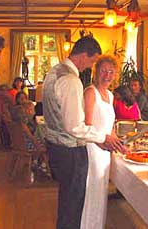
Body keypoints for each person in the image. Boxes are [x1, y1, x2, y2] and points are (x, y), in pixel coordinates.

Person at [42, 35, 125, 229]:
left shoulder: (53, 72)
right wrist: (103, 137)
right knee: (72, 207)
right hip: (70, 151)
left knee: (67, 204)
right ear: (84, 55)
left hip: (55, 147)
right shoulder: (71, 80)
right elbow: (75, 127)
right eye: (92, 61)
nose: (90, 67)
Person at [81, 55, 128, 229]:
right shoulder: (90, 92)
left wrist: (118, 144)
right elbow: (86, 125)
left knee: (100, 193)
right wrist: (103, 143)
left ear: (115, 75)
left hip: (105, 150)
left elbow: (110, 126)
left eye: (111, 72)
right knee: (91, 192)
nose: (107, 75)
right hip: (93, 149)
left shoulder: (109, 94)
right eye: (103, 71)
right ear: (96, 72)